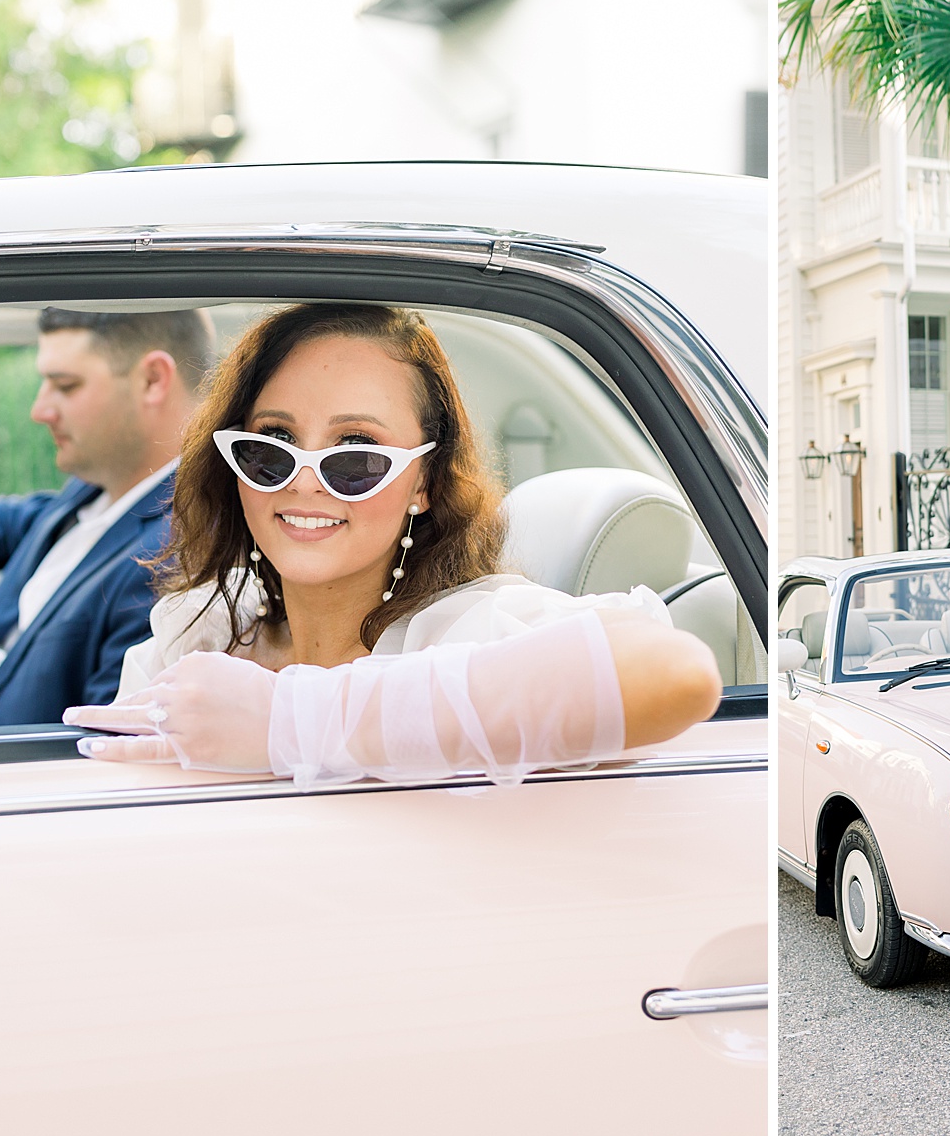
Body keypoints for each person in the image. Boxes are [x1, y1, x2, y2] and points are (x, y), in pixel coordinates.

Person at [64, 303, 723, 786]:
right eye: (273, 445)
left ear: (423, 484)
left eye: (357, 454)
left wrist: (295, 721)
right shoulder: (204, 630)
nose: (304, 481)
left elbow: (677, 675)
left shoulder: (468, 629)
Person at [0, 308, 213, 731]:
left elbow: (101, 742)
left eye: (65, 385)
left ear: (152, 380)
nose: (40, 410)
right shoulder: (91, 495)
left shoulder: (175, 556)